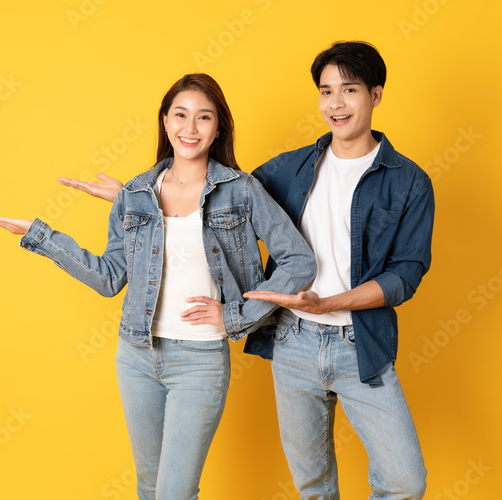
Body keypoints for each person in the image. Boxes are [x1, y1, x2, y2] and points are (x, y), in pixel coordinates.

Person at [62, 42, 434, 500]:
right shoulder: (289, 169)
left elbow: (407, 273)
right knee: (312, 484)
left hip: (360, 343)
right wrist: (134, 198)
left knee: (404, 481)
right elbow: (211, 194)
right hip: (292, 341)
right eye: (325, 91)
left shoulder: (409, 180)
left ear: (375, 95)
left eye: (349, 90)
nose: (336, 104)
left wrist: (328, 302)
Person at [0, 73, 315, 499]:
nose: (189, 128)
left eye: (203, 118)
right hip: (136, 356)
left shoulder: (242, 191)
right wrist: (44, 237)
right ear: (164, 121)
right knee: (150, 487)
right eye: (180, 115)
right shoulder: (136, 194)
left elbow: (299, 261)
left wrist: (235, 315)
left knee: (174, 493)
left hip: (200, 361)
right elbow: (109, 278)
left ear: (218, 129)